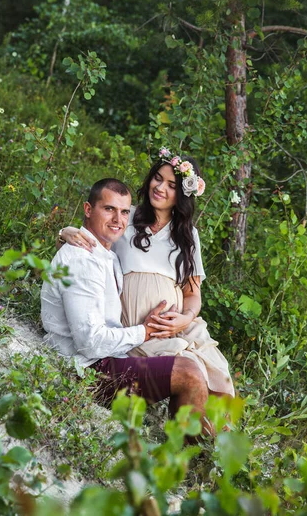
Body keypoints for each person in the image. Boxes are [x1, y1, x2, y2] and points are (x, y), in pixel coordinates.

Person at [59, 150, 235, 398]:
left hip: (179, 325)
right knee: (188, 372)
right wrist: (65, 231)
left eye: (172, 185)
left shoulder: (187, 235)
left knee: (218, 382)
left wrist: (186, 317)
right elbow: (89, 239)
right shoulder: (125, 216)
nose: (160, 187)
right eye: (157, 178)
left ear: (183, 194)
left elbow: (193, 294)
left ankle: (210, 436)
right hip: (136, 327)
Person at [42, 178, 211, 432]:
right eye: (108, 209)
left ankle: (196, 450)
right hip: (87, 372)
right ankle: (185, 461)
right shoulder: (80, 259)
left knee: (199, 371)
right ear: (88, 210)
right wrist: (145, 331)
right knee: (189, 374)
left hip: (113, 356)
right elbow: (90, 342)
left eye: (124, 212)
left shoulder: (108, 256)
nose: (118, 220)